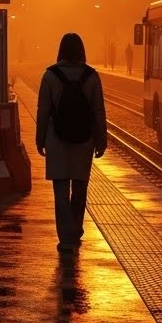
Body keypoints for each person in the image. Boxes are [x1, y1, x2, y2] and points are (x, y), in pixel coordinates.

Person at [35, 33, 106, 252]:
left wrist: (40, 139)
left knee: (60, 189)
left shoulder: (50, 76)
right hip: (84, 141)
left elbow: (43, 111)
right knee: (80, 187)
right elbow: (98, 113)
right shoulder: (92, 76)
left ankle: (66, 234)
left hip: (56, 140)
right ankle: (76, 227)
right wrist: (101, 141)